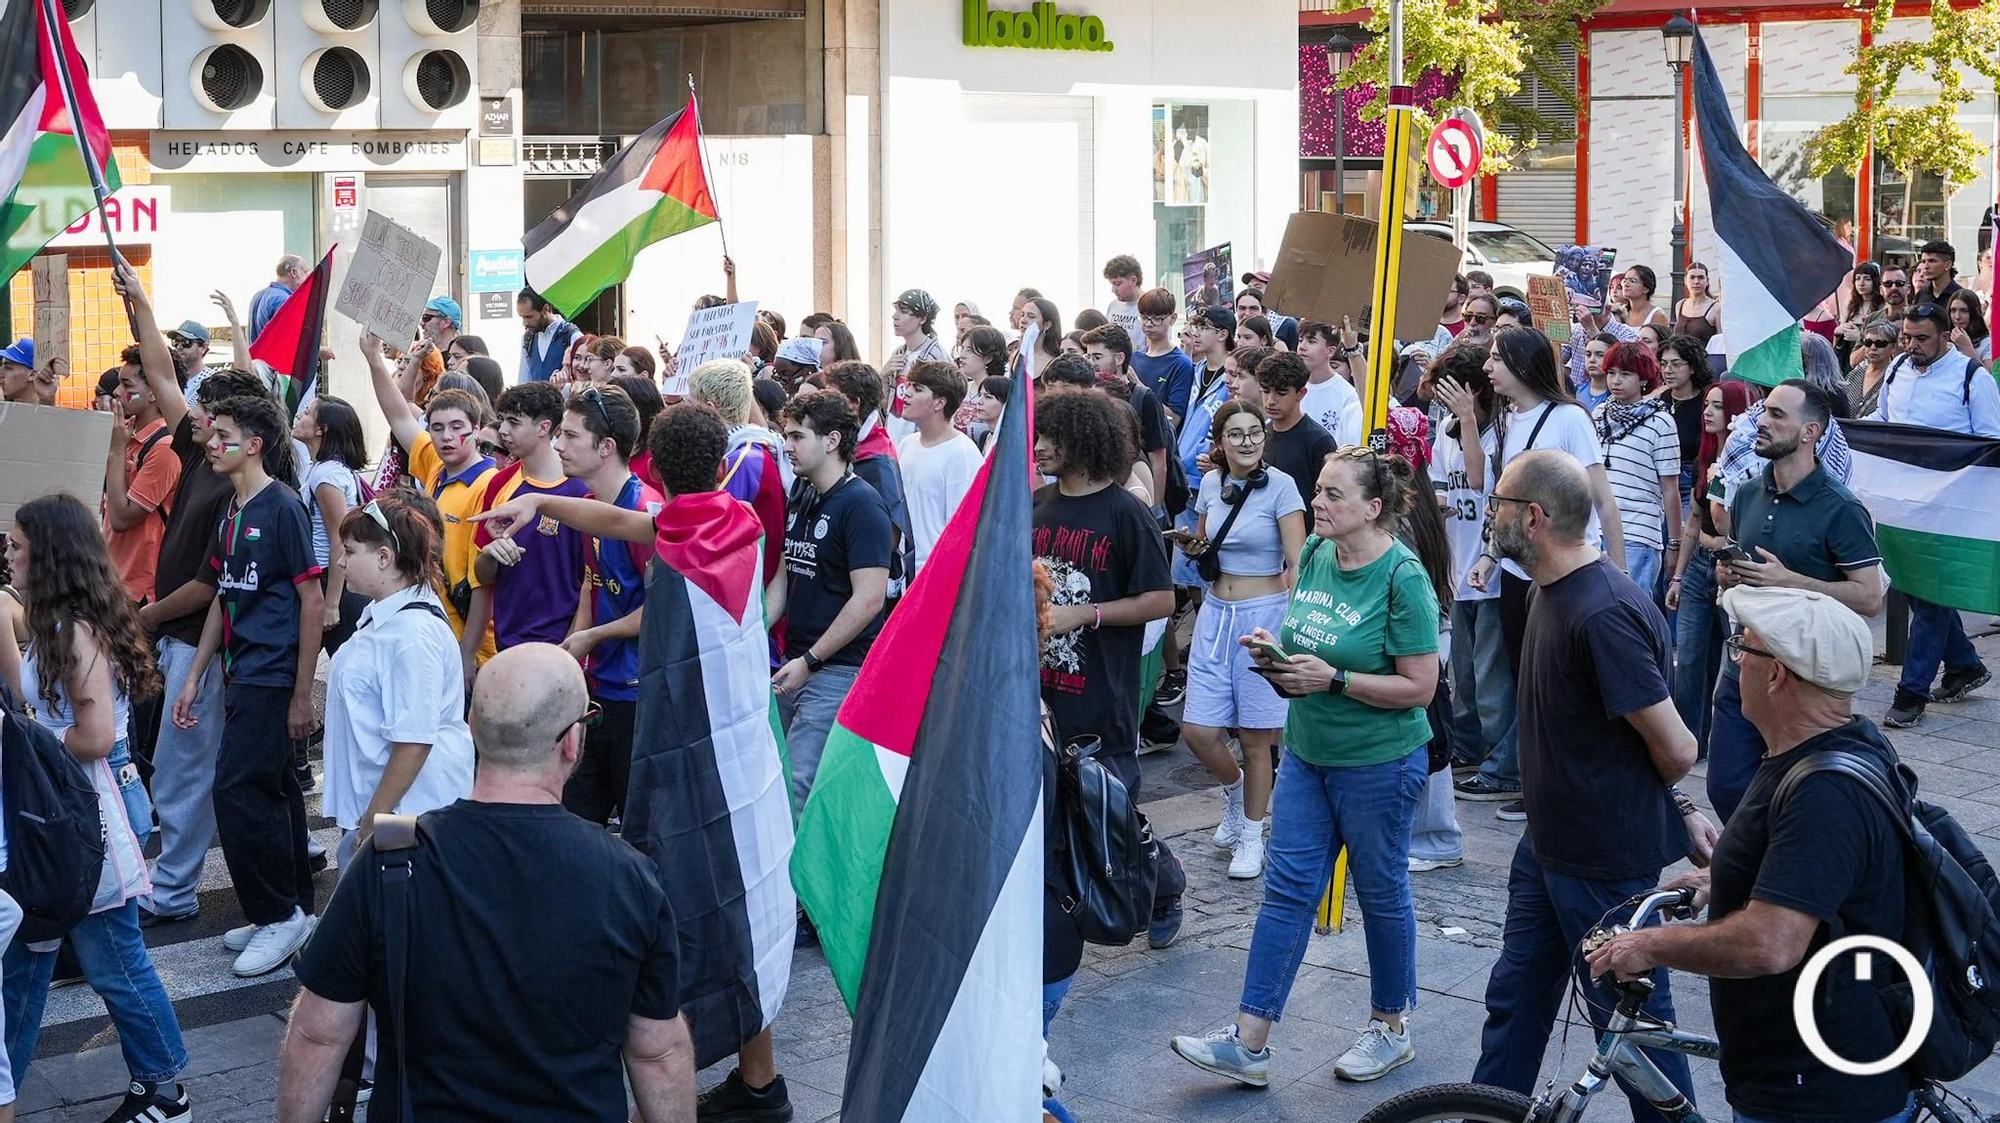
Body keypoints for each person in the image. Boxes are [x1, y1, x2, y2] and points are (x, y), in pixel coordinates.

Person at [278, 644, 696, 1123]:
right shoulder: (630, 875)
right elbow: (657, 1055)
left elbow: (318, 1035)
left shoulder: (390, 853)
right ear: (571, 742)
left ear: (472, 729)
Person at [1586, 586, 1912, 1123]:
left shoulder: (1825, 790)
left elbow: (1771, 943)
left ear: (1778, 673)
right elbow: (1821, 872)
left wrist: (1651, 945)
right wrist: (1724, 880)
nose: (1734, 660)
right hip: (1792, 1071)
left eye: (1742, 646)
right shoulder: (1815, 749)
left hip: (1816, 1093)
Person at [1169, 446, 1439, 1086]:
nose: (1317, 502)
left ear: (1373, 509)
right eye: (1318, 491)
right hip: (1309, 756)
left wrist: (1337, 679)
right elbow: (1305, 640)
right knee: (1286, 891)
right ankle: (1250, 1041)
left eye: (1332, 495)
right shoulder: (1317, 554)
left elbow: (1421, 688)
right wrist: (1276, 657)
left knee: (1381, 894)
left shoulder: (1404, 578)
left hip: (1381, 763)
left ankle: (1391, 1027)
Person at [1470, 449, 1707, 1123]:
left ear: (1533, 517)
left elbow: (1678, 747)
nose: (1490, 515)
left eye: (1499, 505)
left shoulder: (1602, 612)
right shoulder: (1550, 587)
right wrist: (1678, 809)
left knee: (1636, 1034)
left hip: (1602, 866)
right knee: (1515, 1004)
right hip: (1547, 850)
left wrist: (1670, 802)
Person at [0, 494, 191, 1123]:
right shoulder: (57, 621)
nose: (10, 553)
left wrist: (29, 745)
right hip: (60, 816)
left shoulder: (73, 629)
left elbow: (97, 736)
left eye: (19, 545)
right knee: (28, 964)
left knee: (114, 963)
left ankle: (166, 1088)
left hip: (84, 818)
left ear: (48, 554)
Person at [171, 392, 324, 977]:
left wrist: (303, 691)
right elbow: (220, 595)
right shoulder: (232, 510)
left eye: (224, 434)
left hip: (272, 674)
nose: (212, 442)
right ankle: (291, 912)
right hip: (240, 673)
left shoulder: (283, 507)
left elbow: (312, 600)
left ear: (255, 444)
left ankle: (277, 913)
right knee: (275, 791)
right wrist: (193, 677)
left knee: (236, 792)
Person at [1032, 387, 1179, 944]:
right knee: (1057, 814)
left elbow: (1160, 599)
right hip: (1041, 697)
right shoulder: (1037, 505)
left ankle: (1163, 888)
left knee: (1113, 814)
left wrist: (1085, 614)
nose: (1040, 446)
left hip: (1102, 695)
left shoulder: (1126, 512)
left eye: (1051, 437)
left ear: (1083, 440)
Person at [1710, 380, 1883, 820]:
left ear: (1810, 433)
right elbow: (1735, 579)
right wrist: (1728, 577)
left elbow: (1868, 597)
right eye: (1763, 412)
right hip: (1741, 668)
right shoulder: (1747, 493)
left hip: (1802, 684)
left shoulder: (1841, 507)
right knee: (1728, 788)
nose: (1762, 423)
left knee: (1794, 801)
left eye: (1777, 415)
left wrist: (1790, 581)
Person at [1174, 400, 1306, 879]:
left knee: (1255, 737)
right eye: (1237, 433)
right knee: (1198, 731)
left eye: (1255, 432)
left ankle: (1252, 836)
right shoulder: (1211, 484)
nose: (1247, 441)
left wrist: (1290, 628)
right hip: (1215, 614)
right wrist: (1192, 543)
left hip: (1264, 615)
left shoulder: (1283, 487)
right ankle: (1236, 794)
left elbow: (1297, 561)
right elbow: (1210, 546)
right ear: (1221, 440)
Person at [1467, 326, 1627, 713]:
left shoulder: (1569, 418)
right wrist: (1491, 556)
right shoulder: (1506, 418)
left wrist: (1619, 578)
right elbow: (1504, 503)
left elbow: (1603, 500)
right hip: (1518, 573)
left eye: (1497, 358)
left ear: (1522, 365)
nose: (1488, 366)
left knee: (1564, 684)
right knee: (1525, 679)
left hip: (1566, 573)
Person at [322, 489, 474, 871]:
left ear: (385, 557)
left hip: (405, 815)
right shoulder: (387, 616)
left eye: (351, 551)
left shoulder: (412, 634)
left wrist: (371, 827)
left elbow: (413, 743)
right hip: (387, 809)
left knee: (399, 913)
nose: (340, 562)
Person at [1867, 306, 2000, 728]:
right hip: (1904, 503)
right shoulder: (1898, 370)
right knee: (1920, 592)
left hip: (1949, 510)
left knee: (1932, 598)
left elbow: (1991, 442)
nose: (1911, 346)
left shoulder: (1971, 378)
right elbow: (1883, 420)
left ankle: (1912, 693)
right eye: (1907, 337)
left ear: (1946, 336)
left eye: (1921, 339)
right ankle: (1965, 665)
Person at [775, 391, 891, 809]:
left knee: (798, 790)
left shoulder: (861, 505)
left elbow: (869, 600)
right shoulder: (802, 493)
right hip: (795, 665)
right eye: (785, 435)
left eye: (796, 436)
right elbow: (785, 578)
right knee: (776, 784)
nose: (786, 446)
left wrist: (811, 661)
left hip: (838, 670)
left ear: (831, 440)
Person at [548, 385, 656, 823]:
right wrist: (572, 651)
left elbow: (662, 611)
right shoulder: (590, 506)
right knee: (573, 825)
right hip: (596, 696)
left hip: (638, 696)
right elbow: (592, 588)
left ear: (606, 447)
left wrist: (594, 637)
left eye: (571, 436)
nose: (558, 444)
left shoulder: (647, 511)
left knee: (640, 835)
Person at [365, 333, 500, 682]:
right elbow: (397, 413)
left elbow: (484, 583)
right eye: (438, 428)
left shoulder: (489, 486)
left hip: (473, 647)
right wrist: (373, 358)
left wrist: (467, 654)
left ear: (477, 429)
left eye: (458, 428)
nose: (447, 437)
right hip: (432, 628)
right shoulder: (434, 465)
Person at [1430, 342, 1521, 805]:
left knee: (1490, 676)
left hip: (1495, 569)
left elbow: (1481, 478)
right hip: (1457, 567)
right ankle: (1467, 746)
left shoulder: (1502, 431)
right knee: (1460, 673)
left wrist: (1468, 419)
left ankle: (1502, 765)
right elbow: (1442, 488)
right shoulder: (1444, 431)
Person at [1666, 380, 1756, 758]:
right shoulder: (1705, 458)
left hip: (1733, 569)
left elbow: (1742, 526)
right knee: (1688, 659)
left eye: (1717, 406)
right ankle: (1690, 743)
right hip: (1700, 567)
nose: (1707, 412)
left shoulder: (1751, 464)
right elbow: (1693, 520)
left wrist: (1718, 545)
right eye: (1706, 404)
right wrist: (1678, 575)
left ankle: (1741, 741)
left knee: (1738, 659)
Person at [469, 382, 590, 659]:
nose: (503, 431)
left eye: (514, 422)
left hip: (560, 648)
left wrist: (570, 650)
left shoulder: (580, 490)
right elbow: (483, 575)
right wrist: (491, 554)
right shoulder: (499, 483)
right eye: (503, 421)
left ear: (543, 427)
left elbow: (590, 582)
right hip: (507, 645)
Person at [690, 360, 790, 596]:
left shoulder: (744, 459)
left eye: (690, 404)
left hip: (750, 592)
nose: (685, 411)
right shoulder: (742, 451)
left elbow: (710, 531)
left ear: (710, 409)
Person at [825, 361, 917, 601]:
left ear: (854, 404)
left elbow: (889, 536)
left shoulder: (878, 459)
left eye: (832, 396)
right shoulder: (851, 444)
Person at [1598, 343, 1683, 599]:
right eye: (1611, 372)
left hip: (1638, 533)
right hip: (1596, 530)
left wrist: (1674, 545)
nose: (1616, 380)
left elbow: (1671, 490)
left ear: (1644, 379)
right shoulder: (1598, 414)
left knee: (1628, 614)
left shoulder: (1661, 422)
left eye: (1625, 374)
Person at [101, 346, 184, 606]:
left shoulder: (164, 448)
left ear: (154, 394)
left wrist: (116, 452)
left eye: (127, 384)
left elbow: (122, 518)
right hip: (110, 580)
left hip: (140, 591)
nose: (116, 392)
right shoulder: (123, 432)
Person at [293, 396, 370, 655]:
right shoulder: (325, 470)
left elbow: (339, 539)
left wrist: (331, 604)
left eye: (306, 413)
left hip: (333, 580)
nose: (298, 417)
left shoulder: (326, 476)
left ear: (320, 429)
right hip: (334, 579)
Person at [895, 361, 982, 576]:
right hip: (905, 573)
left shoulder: (961, 453)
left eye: (917, 389)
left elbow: (962, 532)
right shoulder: (907, 443)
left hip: (935, 576)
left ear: (939, 402)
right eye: (909, 386)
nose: (906, 394)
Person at [1254, 352, 1338, 512]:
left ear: (1301, 393)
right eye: (1265, 391)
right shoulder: (1260, 434)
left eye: (1281, 393)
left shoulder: (1318, 441)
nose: (1271, 400)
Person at [881, 289, 952, 438]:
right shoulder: (898, 353)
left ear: (922, 319)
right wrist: (883, 376)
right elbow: (887, 403)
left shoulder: (936, 356)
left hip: (921, 439)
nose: (895, 317)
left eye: (904, 311)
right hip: (894, 437)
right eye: (896, 310)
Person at [1132, 287, 1195, 423]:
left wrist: (1138, 386)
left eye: (1157, 319)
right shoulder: (1134, 357)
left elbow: (1174, 419)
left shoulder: (1181, 364)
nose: (1149, 324)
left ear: (1173, 319)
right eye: (1144, 318)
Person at [1298, 320, 1362, 444]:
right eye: (1300, 340)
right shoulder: (1293, 387)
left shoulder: (1348, 395)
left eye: (1311, 341)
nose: (1302, 347)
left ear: (1331, 351)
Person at [517, 286, 581, 384]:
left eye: (529, 316)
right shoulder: (527, 339)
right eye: (522, 317)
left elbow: (582, 382)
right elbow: (524, 379)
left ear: (546, 309)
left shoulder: (573, 336)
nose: (525, 323)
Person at [1845, 320, 1898, 419]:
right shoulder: (1855, 374)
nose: (1873, 347)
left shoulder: (1897, 378)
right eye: (1868, 343)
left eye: (1880, 343)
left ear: (1894, 347)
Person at [249, 254, 308, 342]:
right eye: (305, 272)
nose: (307, 277)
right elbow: (287, 341)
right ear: (294, 273)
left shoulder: (258, 296)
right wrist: (318, 351)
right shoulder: (284, 300)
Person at [1671, 261, 1721, 355]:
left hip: (1703, 362)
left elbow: (1720, 343)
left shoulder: (1716, 308)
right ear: (1685, 281)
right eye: (1692, 277)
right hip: (1681, 362)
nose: (1696, 282)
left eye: (1701, 278)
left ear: (1707, 281)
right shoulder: (1680, 305)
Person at [1946, 287, 1993, 365]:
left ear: (1974, 313)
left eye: (1964, 311)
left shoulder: (1987, 344)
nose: (1957, 317)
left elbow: (1986, 376)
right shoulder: (1944, 340)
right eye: (1953, 310)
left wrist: (1966, 347)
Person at [1104, 254, 1145, 342]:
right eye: (1112, 284)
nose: (1113, 290)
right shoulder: (1113, 306)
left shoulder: (1152, 307)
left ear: (1133, 281)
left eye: (1117, 284)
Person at [1020, 298, 1064, 380]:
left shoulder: (1054, 363)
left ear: (1047, 325)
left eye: (1031, 317)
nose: (1023, 320)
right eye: (1022, 315)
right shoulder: (1016, 355)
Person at [1576, 333, 1615, 413]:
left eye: (1600, 355)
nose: (1592, 360)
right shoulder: (1576, 390)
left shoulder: (1618, 395)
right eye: (1588, 355)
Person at [1915, 238, 1962, 305]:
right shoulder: (1921, 295)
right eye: (1923, 261)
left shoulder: (1960, 296)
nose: (1926, 266)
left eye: (1932, 261)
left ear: (1947, 265)